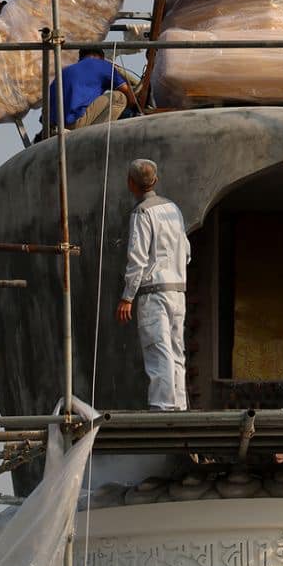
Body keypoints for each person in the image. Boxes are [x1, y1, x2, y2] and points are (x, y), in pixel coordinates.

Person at [115, 159, 190, 411]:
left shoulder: (142, 213)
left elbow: (137, 259)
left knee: (158, 351)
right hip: (177, 290)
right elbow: (187, 252)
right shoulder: (173, 209)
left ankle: (163, 408)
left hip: (153, 292)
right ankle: (179, 405)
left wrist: (127, 297)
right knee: (176, 352)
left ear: (130, 183)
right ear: (155, 180)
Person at [45, 47, 137, 134]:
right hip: (74, 123)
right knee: (119, 97)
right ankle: (96, 136)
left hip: (52, 128)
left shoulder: (65, 71)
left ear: (80, 58)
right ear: (101, 57)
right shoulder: (102, 65)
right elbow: (131, 97)